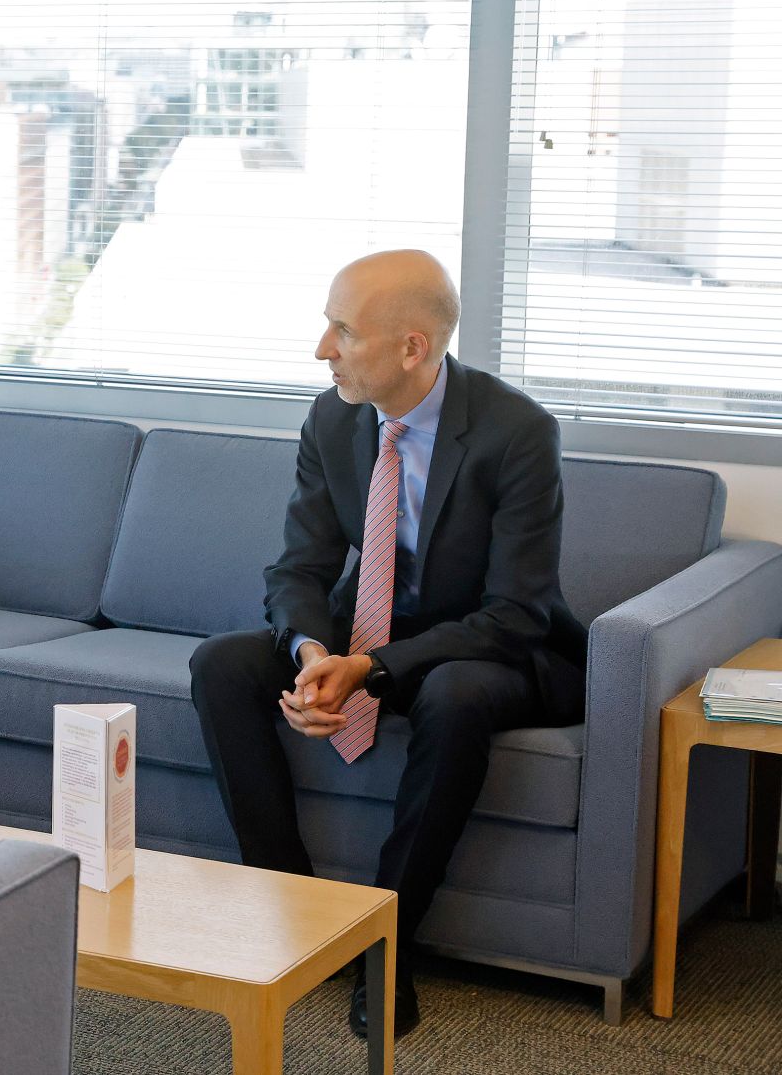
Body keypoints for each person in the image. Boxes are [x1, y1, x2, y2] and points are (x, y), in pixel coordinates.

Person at [188, 249, 585, 1039]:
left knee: (455, 693)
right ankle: (297, 916)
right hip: (365, 633)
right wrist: (311, 657)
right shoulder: (334, 416)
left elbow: (517, 612)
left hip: (488, 653)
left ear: (412, 347)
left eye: (342, 330)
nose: (322, 348)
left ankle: (388, 950)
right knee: (222, 664)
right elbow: (299, 566)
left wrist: (369, 669)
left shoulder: (517, 433)